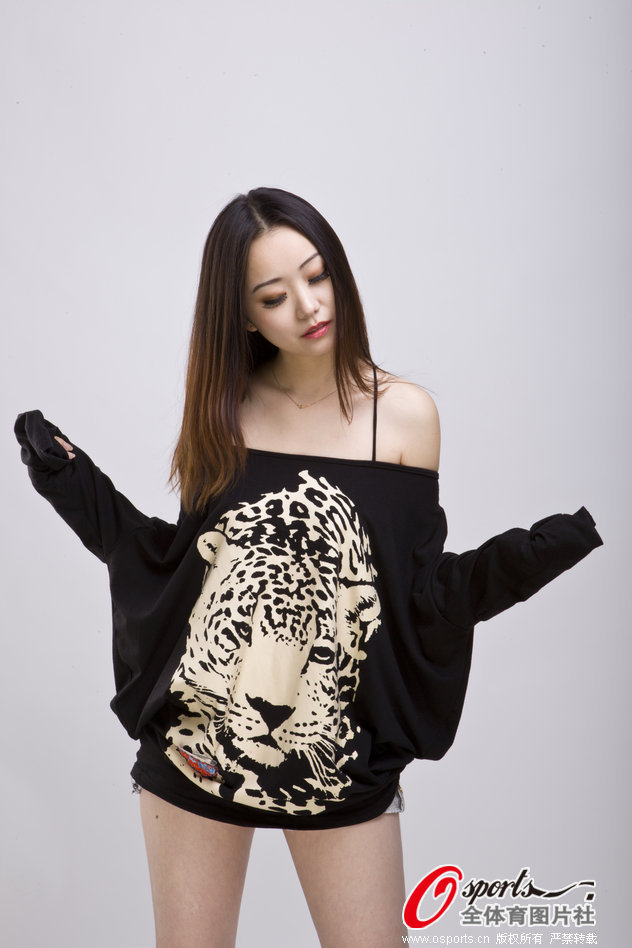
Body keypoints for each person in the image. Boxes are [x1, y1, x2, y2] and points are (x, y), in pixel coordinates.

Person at [14, 187, 603, 947]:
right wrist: (72, 483)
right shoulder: (224, 412)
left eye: (317, 275)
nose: (308, 305)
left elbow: (419, 600)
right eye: (273, 296)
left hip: (337, 759)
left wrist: (529, 558)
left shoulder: (406, 416)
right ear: (243, 316)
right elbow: (180, 570)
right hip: (196, 751)